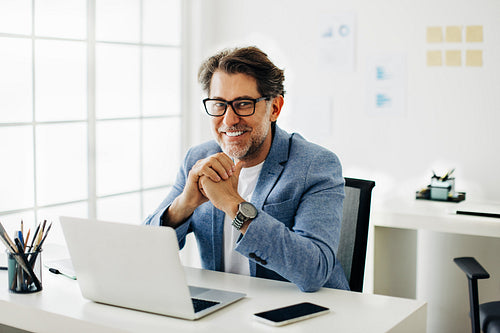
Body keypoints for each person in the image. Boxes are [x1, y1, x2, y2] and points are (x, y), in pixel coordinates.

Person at [144, 46, 349, 292]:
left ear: (274, 108)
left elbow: (314, 271)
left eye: (243, 104)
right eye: (219, 105)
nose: (229, 120)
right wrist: (183, 205)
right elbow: (144, 251)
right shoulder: (198, 159)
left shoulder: (315, 165)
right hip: (226, 310)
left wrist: (233, 204)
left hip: (301, 314)